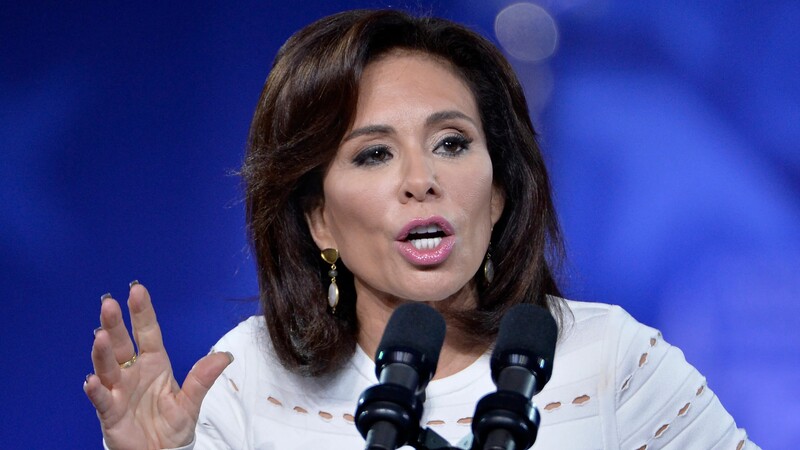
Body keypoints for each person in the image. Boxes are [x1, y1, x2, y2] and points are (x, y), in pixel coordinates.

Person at [84, 9, 758, 449]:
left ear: (497, 195)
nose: (420, 179)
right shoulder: (250, 375)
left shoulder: (611, 360)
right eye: (374, 153)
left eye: (452, 143)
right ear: (318, 217)